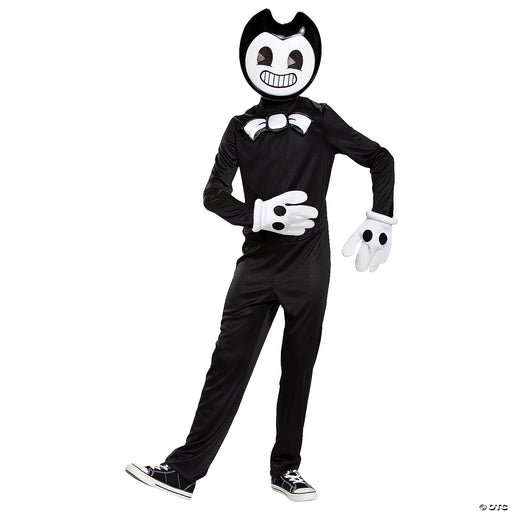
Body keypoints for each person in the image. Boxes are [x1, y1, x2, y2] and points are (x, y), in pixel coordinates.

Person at [126, 8, 396, 502]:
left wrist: (381, 217)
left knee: (298, 366)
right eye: (268, 55)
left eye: (293, 57)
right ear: (248, 58)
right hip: (255, 265)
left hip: (308, 266)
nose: (280, 67)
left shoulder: (321, 118)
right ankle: (184, 472)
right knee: (226, 364)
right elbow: (213, 194)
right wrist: (257, 214)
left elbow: (380, 157)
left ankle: (286, 470)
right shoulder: (239, 126)